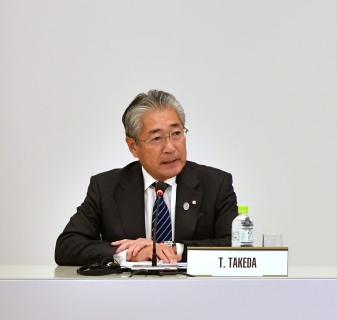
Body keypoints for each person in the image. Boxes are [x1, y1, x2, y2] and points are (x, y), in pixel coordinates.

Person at [55, 90, 238, 266]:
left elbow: (235, 245)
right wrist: (129, 253)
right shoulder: (106, 187)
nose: (170, 147)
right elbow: (67, 246)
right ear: (133, 146)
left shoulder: (216, 184)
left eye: (176, 133)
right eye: (157, 138)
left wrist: (176, 249)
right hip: (128, 294)